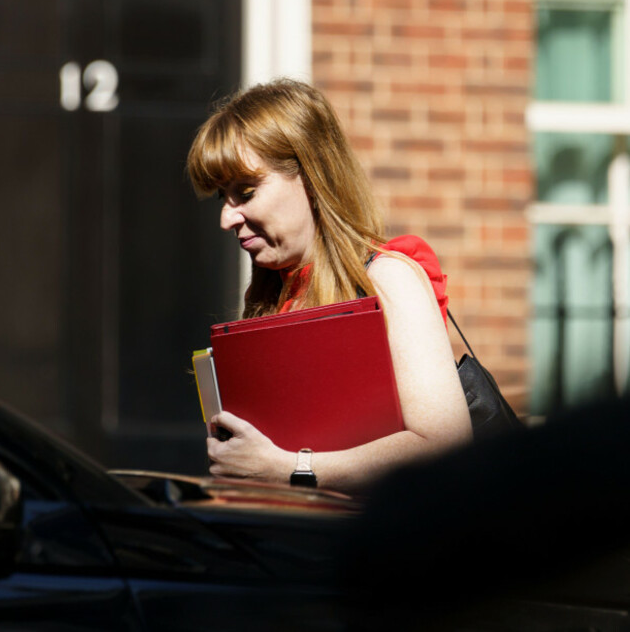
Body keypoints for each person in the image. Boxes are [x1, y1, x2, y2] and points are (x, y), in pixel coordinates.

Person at [187, 78, 472, 495]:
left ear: (313, 176)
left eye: (245, 193)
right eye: (222, 198)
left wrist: (288, 468)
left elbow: (445, 445)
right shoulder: (270, 296)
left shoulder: (386, 278)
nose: (227, 219)